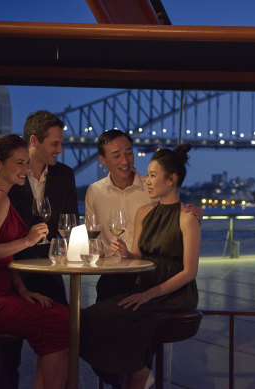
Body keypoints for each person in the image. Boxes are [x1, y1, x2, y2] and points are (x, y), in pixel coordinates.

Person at [0, 110, 78, 388]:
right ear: (34, 140)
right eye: (55, 144)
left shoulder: (63, 175)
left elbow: (69, 228)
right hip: (6, 278)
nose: (61, 150)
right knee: (8, 357)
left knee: (67, 329)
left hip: (46, 274)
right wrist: (14, 263)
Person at [80, 144, 200, 389]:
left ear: (171, 180)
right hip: (145, 285)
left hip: (173, 294)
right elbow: (139, 255)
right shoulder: (144, 212)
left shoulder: (188, 219)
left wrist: (148, 295)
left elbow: (190, 272)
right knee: (88, 317)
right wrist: (125, 254)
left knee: (109, 316)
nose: (148, 181)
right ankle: (137, 372)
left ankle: (134, 375)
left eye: (153, 176)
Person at [85, 129, 201, 301]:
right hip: (114, 276)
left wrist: (197, 216)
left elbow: (174, 217)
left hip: (149, 279)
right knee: (97, 317)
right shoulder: (94, 192)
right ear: (102, 159)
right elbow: (92, 237)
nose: (125, 160)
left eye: (129, 153)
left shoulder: (153, 188)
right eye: (116, 155)